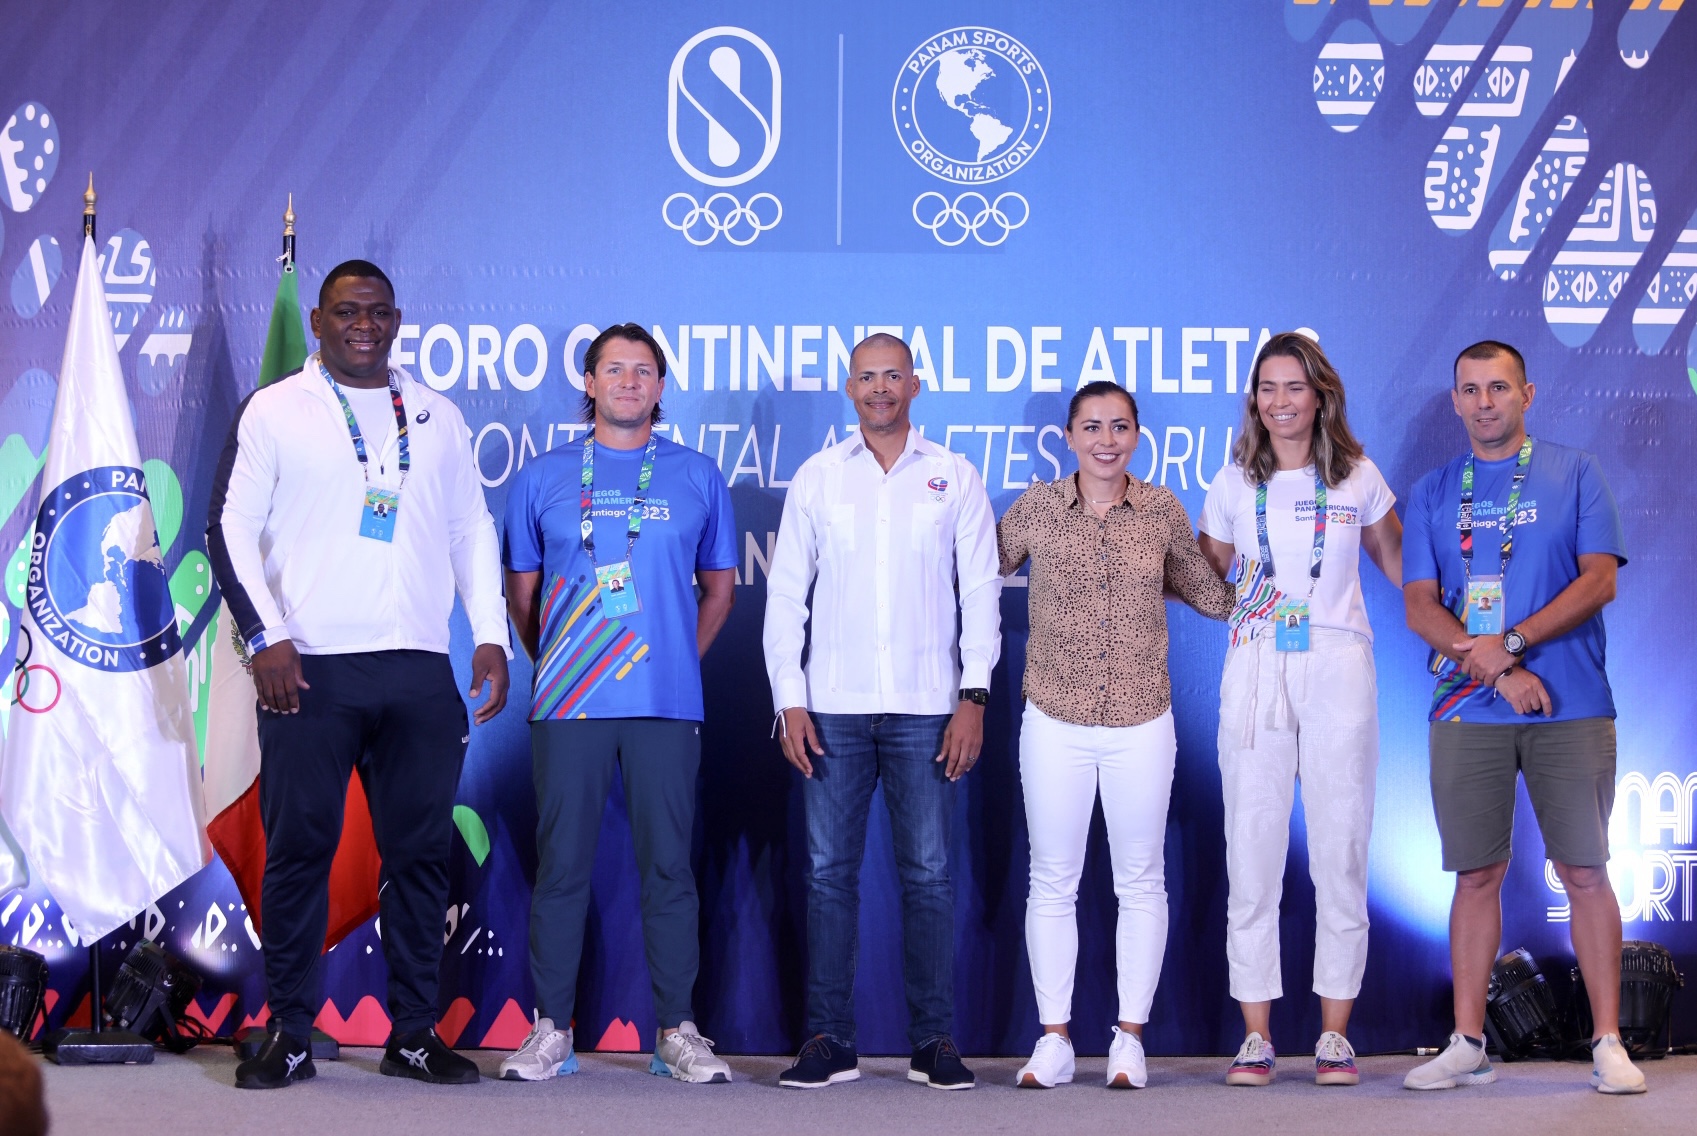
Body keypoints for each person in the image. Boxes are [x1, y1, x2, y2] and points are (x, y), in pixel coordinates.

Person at [207, 260, 511, 1088]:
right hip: (307, 670)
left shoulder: (438, 415)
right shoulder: (276, 409)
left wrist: (489, 634)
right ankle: (291, 1031)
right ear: (317, 320)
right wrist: (265, 637)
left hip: (417, 668)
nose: (363, 325)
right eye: (346, 312)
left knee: (419, 857)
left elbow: (470, 528)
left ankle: (412, 1035)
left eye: (377, 312)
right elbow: (228, 528)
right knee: (299, 850)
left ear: (397, 320)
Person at [1401, 341, 1644, 1095]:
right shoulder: (1433, 490)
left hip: (1569, 702)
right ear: (1454, 400)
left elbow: (1598, 581)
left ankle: (1608, 1043)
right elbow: (1420, 605)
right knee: (1475, 875)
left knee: (1584, 871)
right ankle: (1467, 1043)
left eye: (1498, 387)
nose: (1484, 402)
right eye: (1470, 389)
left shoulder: (1576, 472)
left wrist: (1511, 643)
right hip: (1466, 708)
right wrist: (1502, 671)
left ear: (1526, 394)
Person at [499, 323, 738, 1084]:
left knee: (669, 868)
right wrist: (562, 658)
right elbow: (522, 593)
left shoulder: (697, 475)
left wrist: (671, 661)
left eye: (643, 370)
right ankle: (551, 1031)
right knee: (561, 869)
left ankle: (677, 1032)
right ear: (590, 382)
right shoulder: (542, 477)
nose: (629, 381)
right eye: (614, 368)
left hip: (665, 702)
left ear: (660, 387)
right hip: (568, 700)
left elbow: (720, 589)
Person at [764, 333, 1001, 1091]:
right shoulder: (818, 477)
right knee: (827, 877)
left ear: (914, 384)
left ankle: (933, 1042)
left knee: (929, 878)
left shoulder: (953, 475)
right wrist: (789, 699)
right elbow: (785, 596)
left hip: (928, 709)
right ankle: (828, 1040)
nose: (878, 388)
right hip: (830, 709)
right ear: (849, 387)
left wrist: (973, 696)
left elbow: (981, 593)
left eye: (891, 375)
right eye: (866, 377)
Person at [998, 380, 1234, 1090]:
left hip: (1141, 721)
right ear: (1068, 437)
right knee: (1051, 880)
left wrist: (1274, 583)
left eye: (1120, 427)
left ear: (1137, 435)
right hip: (1053, 719)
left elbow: (1209, 592)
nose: (1106, 440)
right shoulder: (1037, 507)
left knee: (1141, 879)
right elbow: (975, 573)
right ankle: (1055, 1040)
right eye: (1093, 427)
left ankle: (1130, 1039)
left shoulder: (1160, 508)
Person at [1197, 333, 1401, 1087]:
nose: (1280, 402)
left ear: (1321, 395)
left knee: (1341, 848)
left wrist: (1463, 631)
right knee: (1251, 851)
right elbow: (1205, 575)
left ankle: (1334, 1035)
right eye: (1267, 388)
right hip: (1256, 663)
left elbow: (1405, 568)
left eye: (1294, 387)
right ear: (1253, 400)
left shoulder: (1357, 476)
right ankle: (1256, 1035)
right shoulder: (1231, 481)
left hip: (1338, 662)